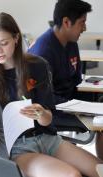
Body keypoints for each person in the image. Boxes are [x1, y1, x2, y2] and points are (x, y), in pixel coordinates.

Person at [0, 12, 101, 177]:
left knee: (100, 170)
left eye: (4, 43)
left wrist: (41, 113)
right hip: (17, 148)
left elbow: (48, 120)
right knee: (71, 175)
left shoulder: (37, 66)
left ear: (16, 39)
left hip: (49, 139)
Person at [28, 0, 103, 160]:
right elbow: (39, 99)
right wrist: (79, 108)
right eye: (82, 22)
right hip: (49, 110)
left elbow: (75, 81)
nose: (84, 28)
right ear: (67, 22)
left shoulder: (71, 43)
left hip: (69, 100)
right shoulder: (43, 51)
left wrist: (87, 104)